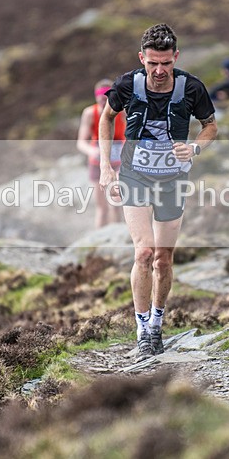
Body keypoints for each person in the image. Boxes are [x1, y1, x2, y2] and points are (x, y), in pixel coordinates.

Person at [98, 23, 218, 361]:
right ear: (142, 58)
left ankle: (157, 325)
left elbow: (211, 126)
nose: (160, 71)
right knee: (144, 253)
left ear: (176, 57)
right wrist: (108, 166)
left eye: (166, 63)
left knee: (164, 259)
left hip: (173, 180)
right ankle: (141, 330)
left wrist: (194, 148)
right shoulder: (127, 85)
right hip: (135, 175)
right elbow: (106, 119)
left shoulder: (191, 88)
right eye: (153, 63)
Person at [76, 79, 126, 228]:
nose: (104, 105)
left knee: (116, 203)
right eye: (101, 101)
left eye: (107, 101)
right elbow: (81, 142)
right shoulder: (90, 113)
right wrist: (93, 150)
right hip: (97, 163)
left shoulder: (123, 112)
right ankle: (98, 242)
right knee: (102, 208)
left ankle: (117, 238)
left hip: (119, 163)